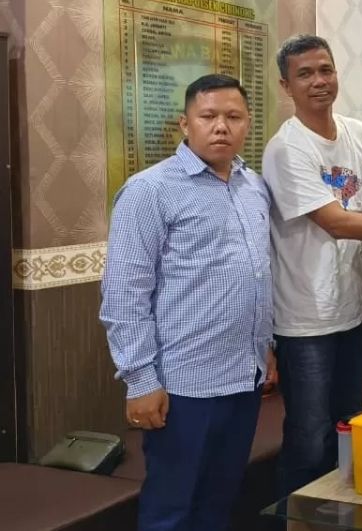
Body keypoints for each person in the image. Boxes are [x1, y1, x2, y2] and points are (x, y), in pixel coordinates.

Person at [100, 74, 274, 531]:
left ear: (248, 123)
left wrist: (267, 350)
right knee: (171, 510)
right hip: (182, 384)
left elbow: (258, 276)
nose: (222, 127)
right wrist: (140, 380)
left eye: (233, 117)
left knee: (219, 502)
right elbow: (123, 295)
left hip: (244, 377)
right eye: (208, 116)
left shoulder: (253, 186)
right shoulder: (149, 190)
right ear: (185, 123)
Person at [262, 34, 362, 495]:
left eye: (325, 69)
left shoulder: (357, 133)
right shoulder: (287, 149)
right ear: (286, 85)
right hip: (303, 320)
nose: (318, 81)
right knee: (309, 440)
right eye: (305, 74)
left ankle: (340, 517)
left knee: (348, 428)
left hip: (351, 312)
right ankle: (292, 519)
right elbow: (337, 222)